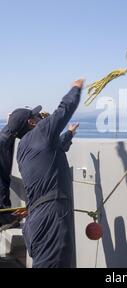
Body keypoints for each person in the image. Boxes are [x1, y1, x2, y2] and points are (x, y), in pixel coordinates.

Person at [12, 79, 84, 268]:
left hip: (35, 219)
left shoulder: (22, 149)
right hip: (52, 217)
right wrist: (75, 89)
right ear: (31, 122)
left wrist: (69, 134)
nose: (41, 118)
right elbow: (64, 110)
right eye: (37, 117)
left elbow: (55, 150)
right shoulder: (41, 132)